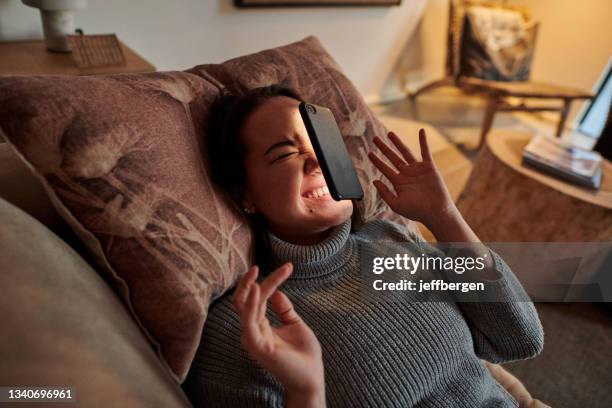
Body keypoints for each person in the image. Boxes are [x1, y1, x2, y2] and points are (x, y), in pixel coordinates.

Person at [182, 84, 546, 407]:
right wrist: (306, 393)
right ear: (245, 194)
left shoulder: (390, 240)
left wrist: (445, 217)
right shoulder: (244, 326)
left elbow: (520, 340)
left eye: (320, 145)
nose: (316, 161)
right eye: (284, 153)